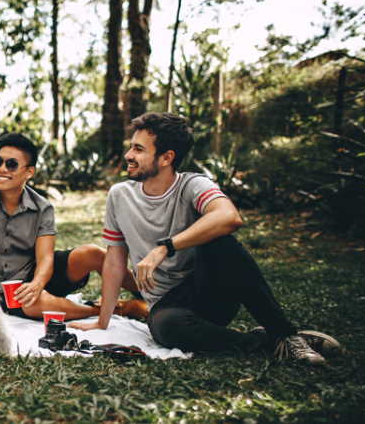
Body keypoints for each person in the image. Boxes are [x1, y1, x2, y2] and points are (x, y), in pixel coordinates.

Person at [70, 112, 341, 364]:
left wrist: (165, 247)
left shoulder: (193, 185)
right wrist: (102, 321)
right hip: (168, 308)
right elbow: (115, 262)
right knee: (165, 327)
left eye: (139, 149)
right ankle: (266, 341)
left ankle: (285, 334)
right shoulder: (120, 195)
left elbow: (229, 217)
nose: (129, 154)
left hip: (211, 294)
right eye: (131, 147)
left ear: (166, 157)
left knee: (221, 241)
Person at [0, 132, 145, 320]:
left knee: (93, 253)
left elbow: (45, 258)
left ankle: (148, 293)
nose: (2, 169)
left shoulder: (42, 207)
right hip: (4, 288)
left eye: (11, 164)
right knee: (31, 303)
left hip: (41, 273)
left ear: (29, 172)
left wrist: (37, 284)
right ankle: (119, 309)